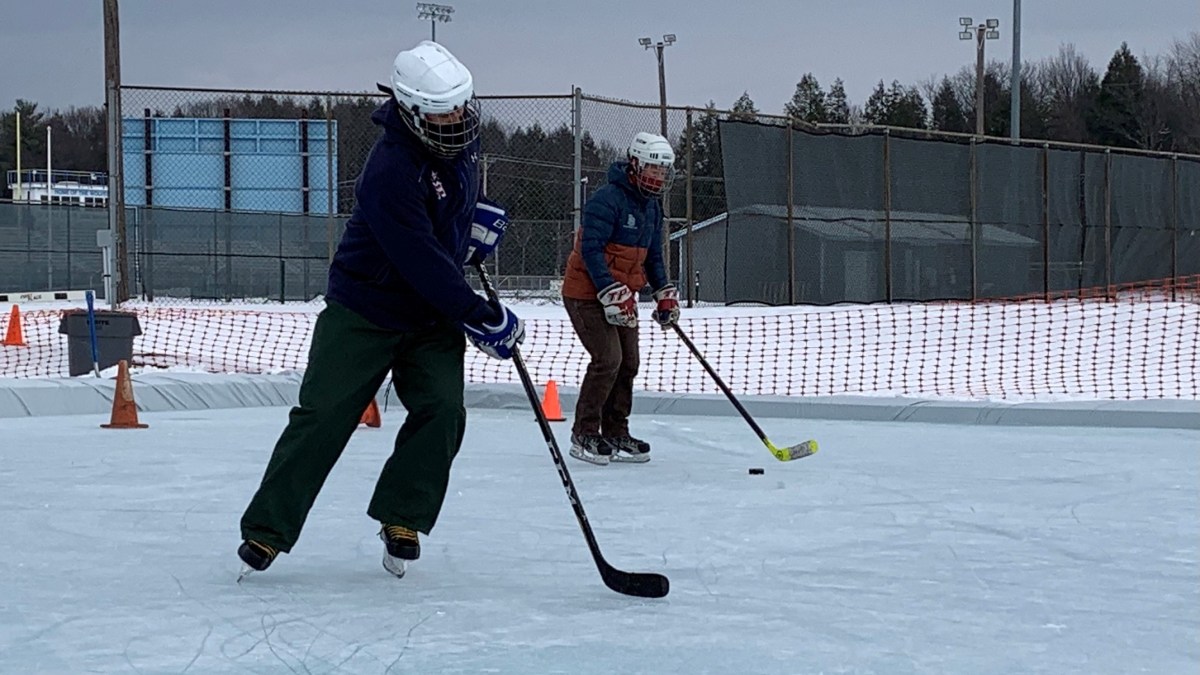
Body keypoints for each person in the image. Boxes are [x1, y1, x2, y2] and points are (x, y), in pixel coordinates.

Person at [236, 40, 524, 579]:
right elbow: (417, 256)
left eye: (463, 105)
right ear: (411, 112)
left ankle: (403, 516)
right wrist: (478, 314)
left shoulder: (458, 145)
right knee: (323, 415)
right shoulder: (389, 168)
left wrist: (471, 230)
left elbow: (443, 221)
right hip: (366, 309)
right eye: (444, 110)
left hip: (429, 317)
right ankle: (267, 530)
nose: (458, 117)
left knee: (443, 411)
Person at [559, 132, 681, 466]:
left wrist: (663, 294)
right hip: (586, 293)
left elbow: (653, 256)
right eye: (653, 169)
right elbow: (591, 250)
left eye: (664, 171)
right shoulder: (607, 199)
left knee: (629, 363)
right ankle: (585, 432)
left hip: (624, 296)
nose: (658, 177)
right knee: (608, 359)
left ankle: (615, 431)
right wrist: (608, 290)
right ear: (635, 164)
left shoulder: (652, 207)